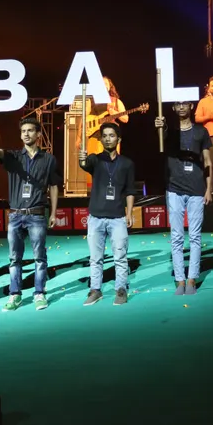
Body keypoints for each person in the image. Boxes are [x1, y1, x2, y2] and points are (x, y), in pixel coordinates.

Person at [0, 118, 61, 311]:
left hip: (37, 215)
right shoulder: (13, 157)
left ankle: (39, 293)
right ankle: (15, 295)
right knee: (14, 258)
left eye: (30, 130)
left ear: (38, 134)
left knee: (40, 257)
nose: (26, 134)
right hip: (15, 216)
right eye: (23, 131)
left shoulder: (49, 160)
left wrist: (54, 212)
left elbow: (54, 187)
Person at [156, 101, 213, 295]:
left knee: (195, 237)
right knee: (176, 237)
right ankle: (180, 280)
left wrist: (208, 189)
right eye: (177, 104)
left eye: (185, 104)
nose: (181, 107)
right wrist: (161, 126)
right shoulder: (169, 132)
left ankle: (191, 279)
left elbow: (207, 161)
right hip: (174, 190)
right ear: (173, 108)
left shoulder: (201, 131)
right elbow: (162, 137)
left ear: (191, 106)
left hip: (197, 189)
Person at [79, 123, 136, 306]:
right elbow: (84, 164)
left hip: (118, 217)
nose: (108, 138)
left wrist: (129, 213)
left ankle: (121, 289)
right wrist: (81, 158)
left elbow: (130, 191)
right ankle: (95, 290)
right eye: (104, 136)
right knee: (95, 258)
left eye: (111, 135)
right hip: (95, 218)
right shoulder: (95, 160)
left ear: (118, 139)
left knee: (120, 257)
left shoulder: (127, 163)